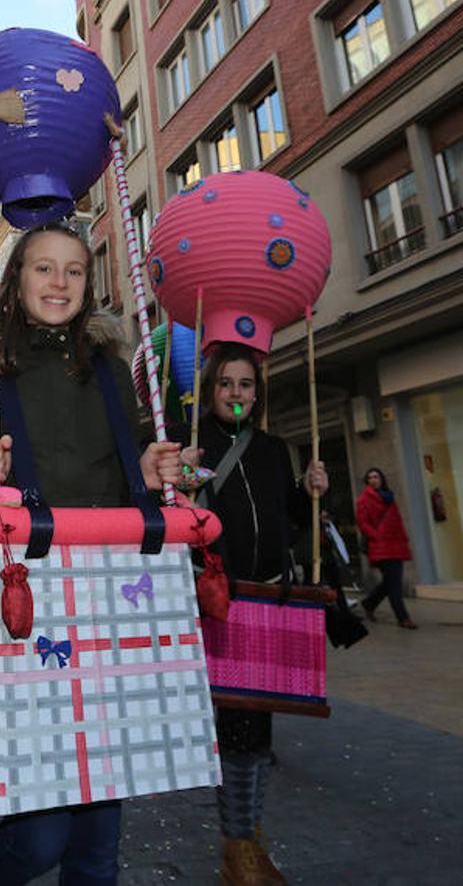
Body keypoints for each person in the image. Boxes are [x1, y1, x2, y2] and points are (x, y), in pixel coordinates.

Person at [0, 222, 185, 885]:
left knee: (96, 842)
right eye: (43, 269)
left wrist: (146, 469)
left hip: (109, 605)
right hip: (26, 611)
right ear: (16, 281)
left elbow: (126, 476)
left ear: (89, 285)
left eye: (74, 271)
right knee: (38, 839)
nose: (59, 283)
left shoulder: (112, 374)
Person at [172, 341, 328, 886]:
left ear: (256, 394)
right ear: (210, 389)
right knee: (239, 727)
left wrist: (310, 493)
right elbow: (174, 524)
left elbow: (289, 521)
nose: (236, 394)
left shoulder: (272, 448)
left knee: (259, 727)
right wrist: (179, 481)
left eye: (245, 385)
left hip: (270, 599)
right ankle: (238, 848)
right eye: (226, 384)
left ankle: (248, 836)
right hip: (221, 600)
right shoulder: (194, 448)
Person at [356, 467, 416, 629]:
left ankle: (369, 603)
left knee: (390, 582)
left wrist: (403, 539)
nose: (374, 480)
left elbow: (396, 521)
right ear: (367, 481)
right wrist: (377, 536)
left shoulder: (389, 497)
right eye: (370, 478)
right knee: (394, 583)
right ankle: (403, 618)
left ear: (382, 479)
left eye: (376, 476)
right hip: (380, 546)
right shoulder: (364, 499)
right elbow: (363, 523)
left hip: (396, 544)